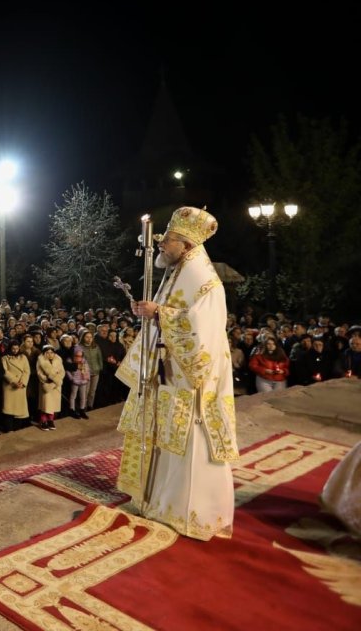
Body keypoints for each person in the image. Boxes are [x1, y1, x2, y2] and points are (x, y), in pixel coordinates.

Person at [117, 207, 238, 541]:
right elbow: (165, 316)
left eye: (167, 240)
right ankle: (157, 502)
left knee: (190, 444)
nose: (161, 245)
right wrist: (150, 312)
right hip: (167, 374)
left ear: (185, 244)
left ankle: (191, 512)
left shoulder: (204, 282)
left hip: (192, 379)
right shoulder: (176, 272)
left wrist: (162, 314)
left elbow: (203, 331)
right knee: (163, 439)